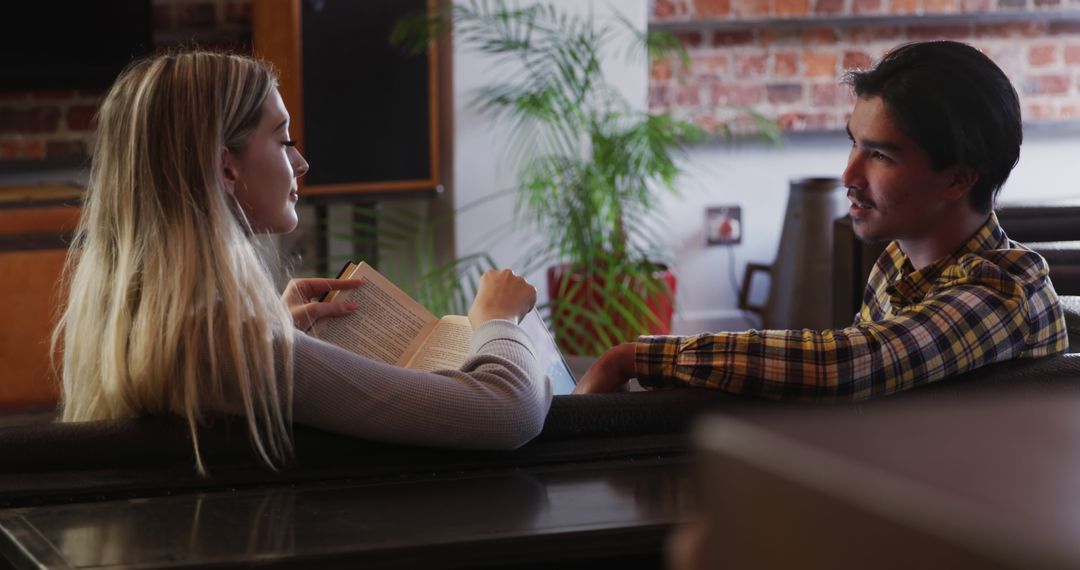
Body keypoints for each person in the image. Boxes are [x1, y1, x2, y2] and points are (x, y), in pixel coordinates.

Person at [53, 50, 551, 473]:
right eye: (283, 138)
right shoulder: (239, 348)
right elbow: (506, 411)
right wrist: (498, 320)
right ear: (226, 166)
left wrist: (275, 329)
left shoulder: (131, 328)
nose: (301, 163)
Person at [575, 40, 1068, 399]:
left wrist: (639, 357)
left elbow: (851, 364)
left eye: (881, 155)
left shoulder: (1003, 293)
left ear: (958, 180)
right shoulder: (900, 259)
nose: (849, 174)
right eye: (854, 142)